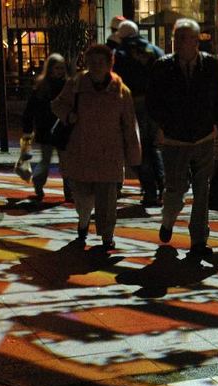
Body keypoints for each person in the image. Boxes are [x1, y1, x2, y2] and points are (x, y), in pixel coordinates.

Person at [146, 18, 218, 260]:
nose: (175, 44)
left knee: (202, 190)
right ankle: (168, 219)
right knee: (175, 189)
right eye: (175, 38)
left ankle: (199, 239)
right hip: (174, 140)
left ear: (195, 42)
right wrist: (163, 126)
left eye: (181, 39)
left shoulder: (211, 66)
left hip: (204, 136)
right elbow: (152, 103)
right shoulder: (162, 66)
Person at [51, 44, 140, 250]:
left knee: (108, 202)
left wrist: (134, 155)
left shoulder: (121, 91)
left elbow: (129, 123)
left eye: (101, 62)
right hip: (80, 150)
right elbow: (56, 104)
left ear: (110, 64)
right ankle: (83, 221)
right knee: (82, 198)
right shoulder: (76, 84)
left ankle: (107, 237)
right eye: (92, 62)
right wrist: (68, 115)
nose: (97, 67)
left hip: (110, 154)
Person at [113, 25, 165, 209]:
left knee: (138, 148)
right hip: (155, 102)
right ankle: (163, 187)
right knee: (153, 146)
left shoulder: (121, 53)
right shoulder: (153, 49)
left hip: (134, 103)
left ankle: (150, 191)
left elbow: (114, 79)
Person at [21, 53, 72, 202]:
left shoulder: (64, 85)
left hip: (61, 128)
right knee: (47, 160)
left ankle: (68, 191)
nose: (60, 71)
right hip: (48, 128)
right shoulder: (44, 87)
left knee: (65, 161)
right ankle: (39, 184)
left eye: (62, 68)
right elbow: (31, 110)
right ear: (50, 69)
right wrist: (28, 129)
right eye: (57, 68)